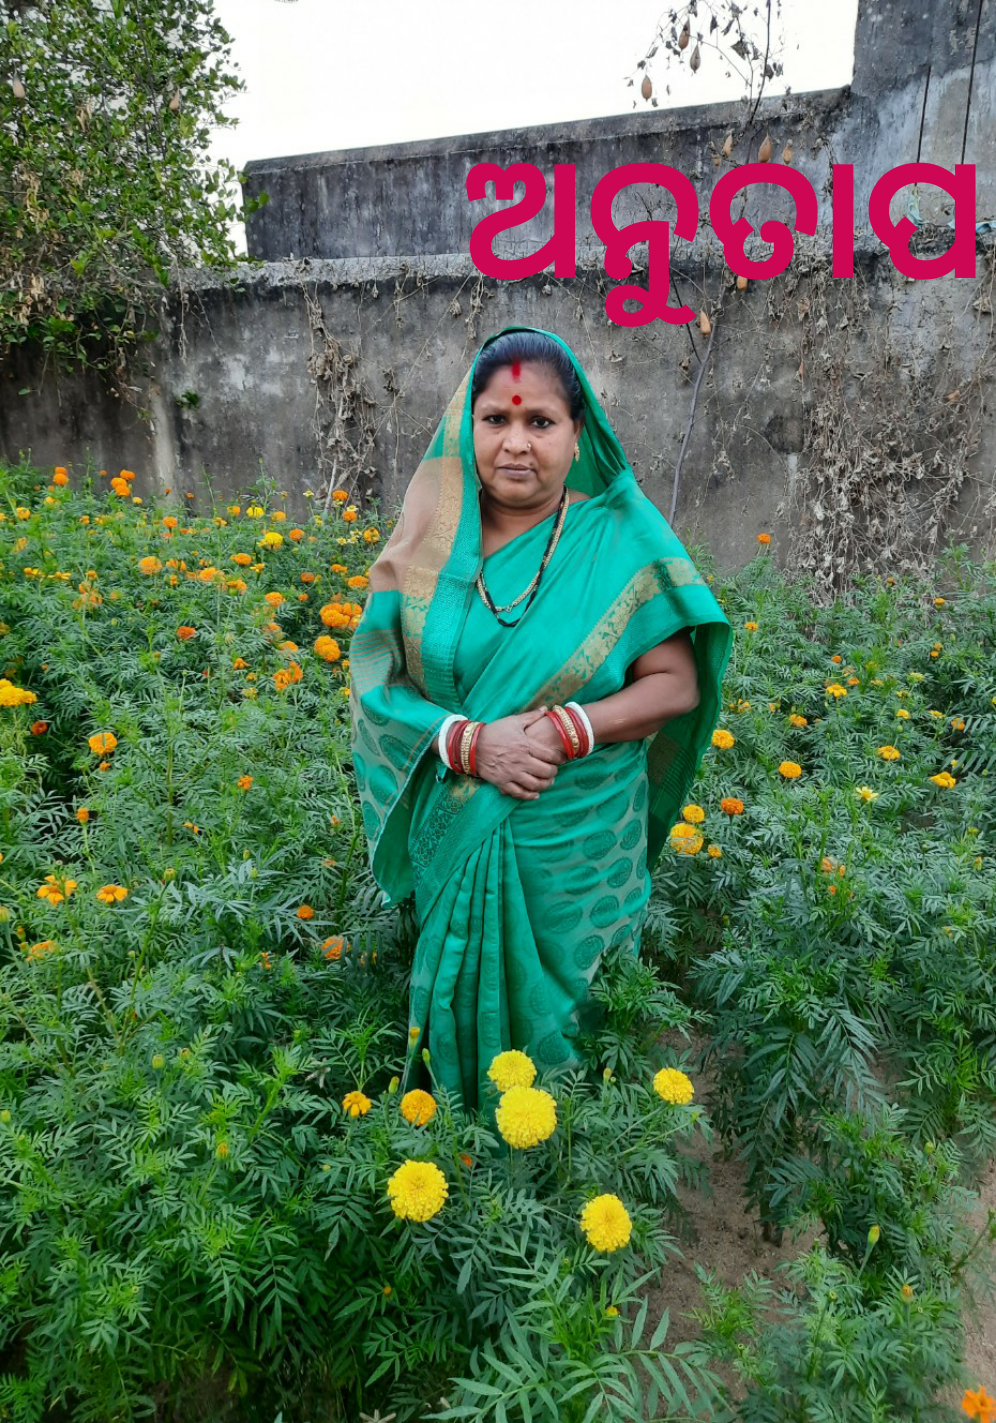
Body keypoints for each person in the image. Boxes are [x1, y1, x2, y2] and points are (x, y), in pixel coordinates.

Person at [349, 325, 732, 1114]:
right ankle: (461, 1149)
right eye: (496, 419)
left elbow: (677, 684)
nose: (516, 442)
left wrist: (564, 730)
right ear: (468, 428)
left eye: (540, 421)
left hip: (577, 845)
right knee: (462, 1010)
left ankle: (573, 1162)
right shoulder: (427, 545)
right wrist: (469, 742)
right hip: (462, 823)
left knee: (576, 1028)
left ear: (577, 433)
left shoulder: (619, 537)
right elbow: (378, 682)